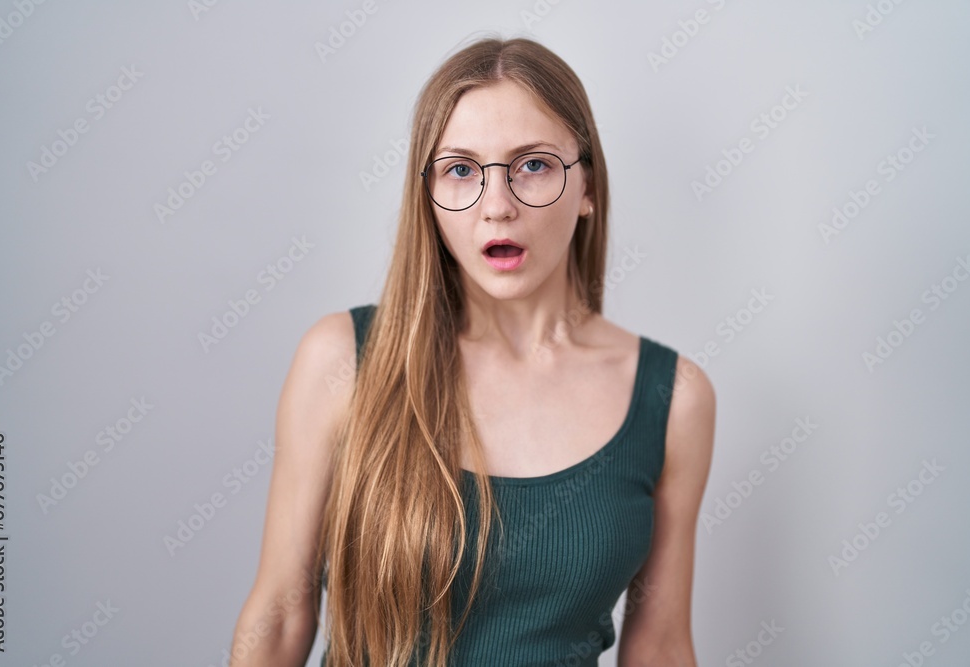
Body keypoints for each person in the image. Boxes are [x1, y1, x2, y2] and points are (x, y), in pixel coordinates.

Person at [229, 34, 715, 667]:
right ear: (427, 196)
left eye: (534, 165)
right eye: (461, 170)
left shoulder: (673, 398)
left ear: (587, 186)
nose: (497, 206)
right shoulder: (341, 360)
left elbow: (661, 644)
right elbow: (280, 615)